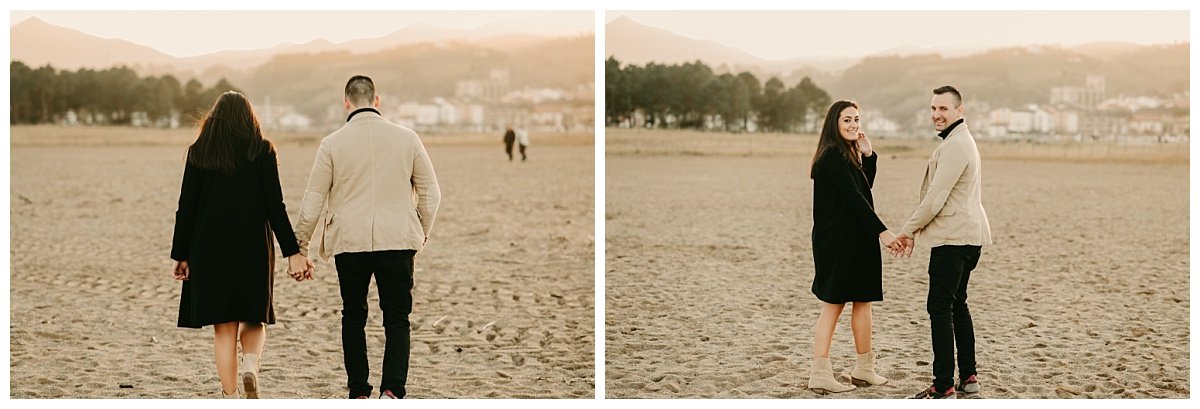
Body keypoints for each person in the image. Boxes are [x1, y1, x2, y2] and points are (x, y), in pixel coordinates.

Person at [293, 75, 441, 399]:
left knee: (353, 315)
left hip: (350, 241)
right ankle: (392, 391)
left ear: (346, 102)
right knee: (398, 318)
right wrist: (421, 232)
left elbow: (312, 201)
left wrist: (300, 246)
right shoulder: (408, 138)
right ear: (377, 100)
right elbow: (431, 193)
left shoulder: (331, 144)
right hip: (398, 240)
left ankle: (359, 391)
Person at [170, 91, 314, 399]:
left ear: (214, 119)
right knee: (254, 317)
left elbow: (186, 208)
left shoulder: (199, 153)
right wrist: (293, 252)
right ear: (250, 118)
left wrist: (180, 254)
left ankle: (231, 397)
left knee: (224, 329)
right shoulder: (261, 150)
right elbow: (276, 206)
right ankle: (250, 363)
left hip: (208, 249)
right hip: (253, 247)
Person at [895, 86, 992, 399]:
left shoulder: (956, 145)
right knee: (957, 304)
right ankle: (969, 377)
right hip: (968, 236)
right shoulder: (960, 140)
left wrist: (906, 231)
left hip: (954, 240)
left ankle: (943, 384)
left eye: (944, 109)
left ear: (959, 111)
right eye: (933, 108)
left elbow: (935, 199)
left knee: (940, 307)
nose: (937, 114)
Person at [807, 100, 900, 394]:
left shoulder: (847, 154)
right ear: (834, 123)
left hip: (858, 239)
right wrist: (883, 232)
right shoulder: (831, 156)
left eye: (857, 119)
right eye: (846, 120)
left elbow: (863, 189)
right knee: (833, 306)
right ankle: (819, 373)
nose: (853, 125)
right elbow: (853, 199)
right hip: (837, 242)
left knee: (863, 301)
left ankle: (864, 369)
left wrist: (868, 156)